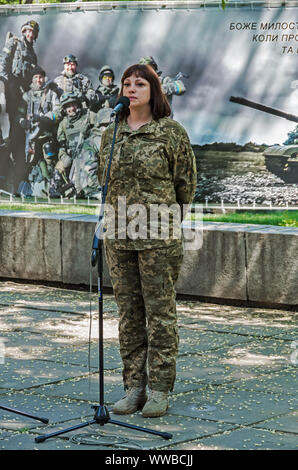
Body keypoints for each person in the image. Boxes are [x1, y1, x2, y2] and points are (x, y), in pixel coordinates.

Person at [97, 64, 197, 417]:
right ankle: (134, 387)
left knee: (160, 314)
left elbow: (185, 184)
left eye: (140, 83)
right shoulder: (112, 133)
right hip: (119, 238)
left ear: (154, 91)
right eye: (126, 84)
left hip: (158, 238)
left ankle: (159, 389)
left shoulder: (170, 133)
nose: (131, 88)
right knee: (128, 315)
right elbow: (103, 179)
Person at [0, 20, 40, 192]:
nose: (30, 34)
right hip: (9, 92)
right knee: (7, 137)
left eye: (33, 32)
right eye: (28, 31)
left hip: (21, 97)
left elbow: (30, 79)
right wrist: (5, 87)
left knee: (18, 139)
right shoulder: (14, 43)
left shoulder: (33, 54)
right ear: (24, 31)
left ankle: (13, 183)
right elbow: (2, 65)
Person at [17, 66, 60, 196]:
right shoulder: (27, 95)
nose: (39, 80)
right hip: (31, 138)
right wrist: (22, 122)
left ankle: (52, 189)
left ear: (44, 78)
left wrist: (43, 118)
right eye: (36, 77)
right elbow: (18, 113)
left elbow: (58, 112)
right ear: (32, 79)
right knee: (29, 163)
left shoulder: (50, 93)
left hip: (47, 135)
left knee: (50, 163)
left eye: (40, 77)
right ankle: (25, 190)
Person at [54, 90, 97, 197]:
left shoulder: (89, 116)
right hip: (72, 155)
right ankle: (55, 188)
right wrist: (63, 157)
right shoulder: (63, 123)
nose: (71, 109)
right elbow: (61, 144)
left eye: (73, 105)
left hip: (88, 155)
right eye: (68, 107)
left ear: (77, 105)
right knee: (65, 165)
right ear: (64, 109)